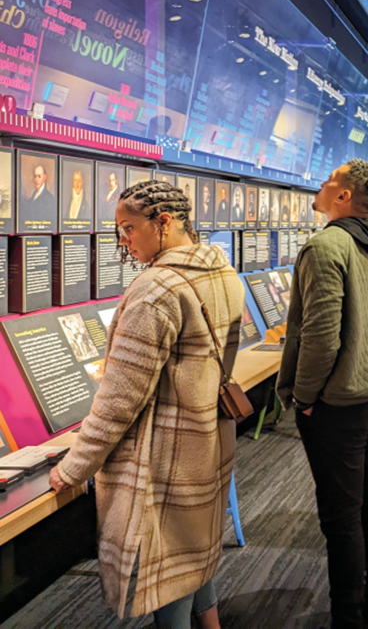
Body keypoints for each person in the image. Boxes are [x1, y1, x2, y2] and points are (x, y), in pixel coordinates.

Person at [49, 179, 244, 627]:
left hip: (162, 461)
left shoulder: (155, 290)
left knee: (165, 575)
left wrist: (74, 467)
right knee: (195, 551)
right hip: (207, 441)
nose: (124, 241)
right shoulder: (221, 271)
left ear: (164, 222)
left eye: (129, 228)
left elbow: (118, 400)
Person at [277, 158, 368, 629]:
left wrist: (305, 397)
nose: (322, 184)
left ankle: (348, 618)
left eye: (330, 179)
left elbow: (320, 337)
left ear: (344, 196)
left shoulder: (326, 245)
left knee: (341, 518)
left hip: (341, 402)